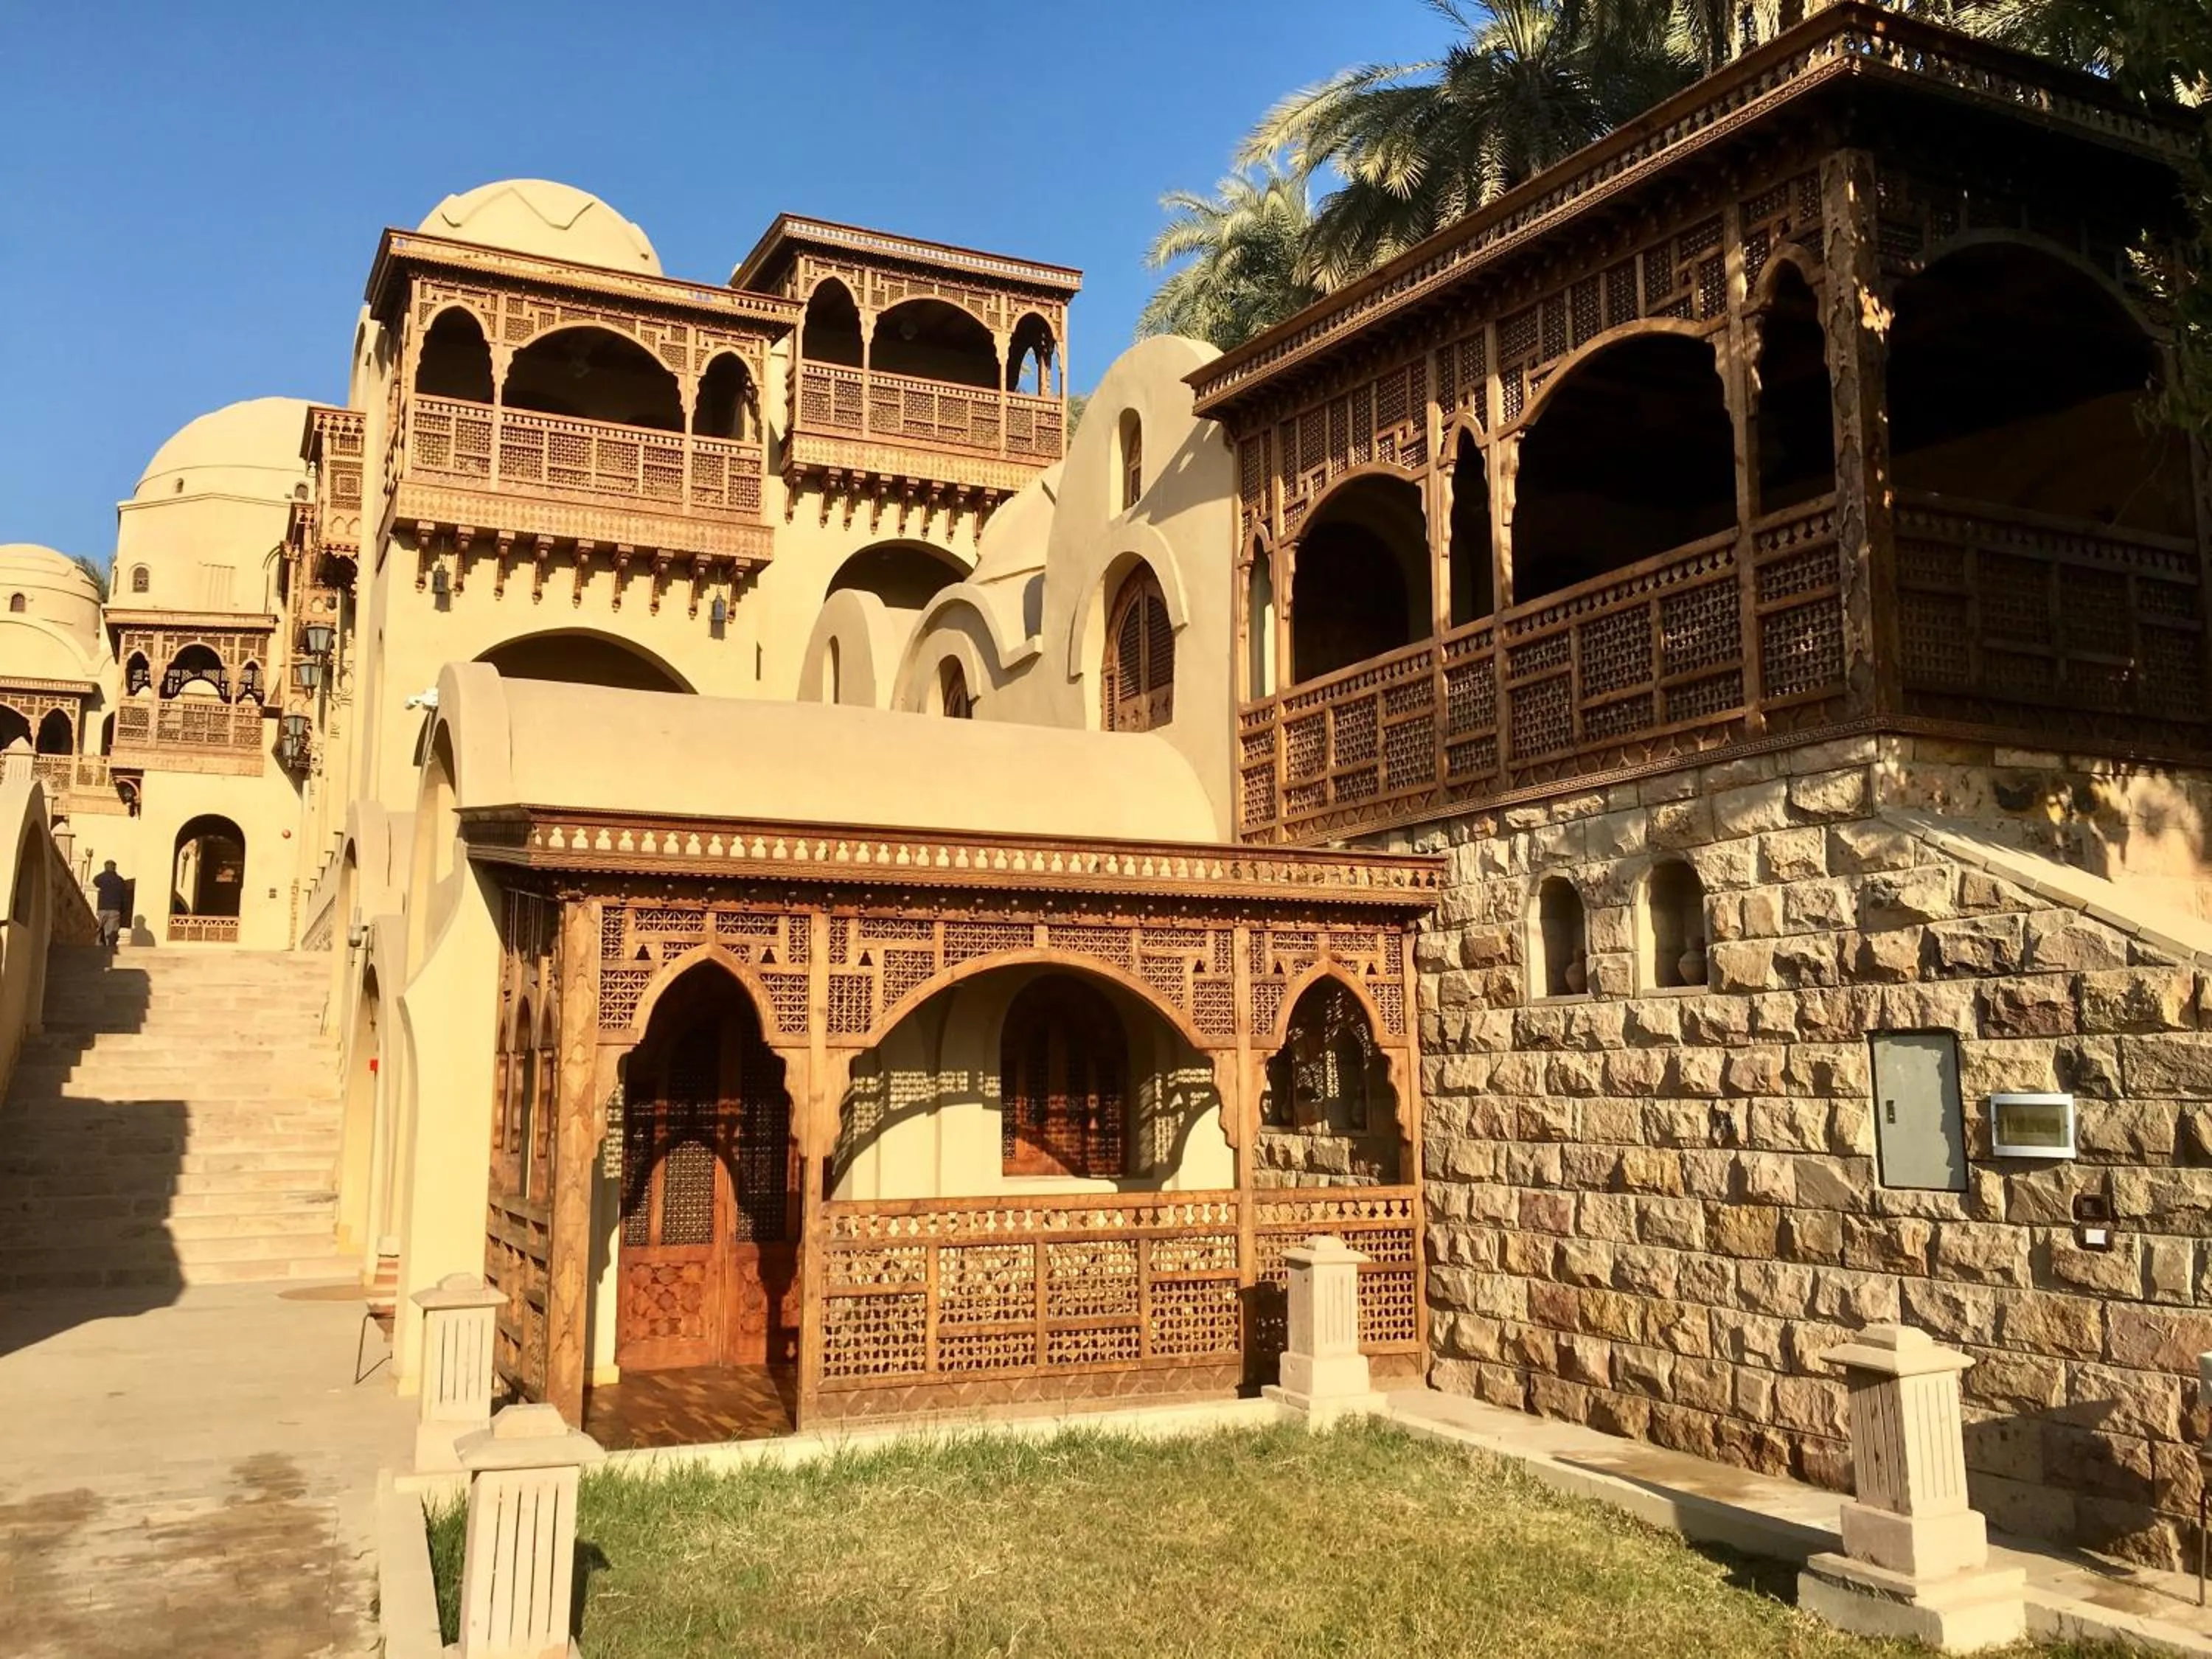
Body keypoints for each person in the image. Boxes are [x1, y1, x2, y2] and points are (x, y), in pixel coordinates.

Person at [91, 860, 128, 949]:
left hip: (102, 908)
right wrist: (123, 909)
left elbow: (95, 880)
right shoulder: (120, 880)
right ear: (115, 868)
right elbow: (124, 896)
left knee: (100, 929)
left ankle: (97, 949)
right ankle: (109, 951)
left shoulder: (101, 878)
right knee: (111, 933)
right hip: (114, 909)